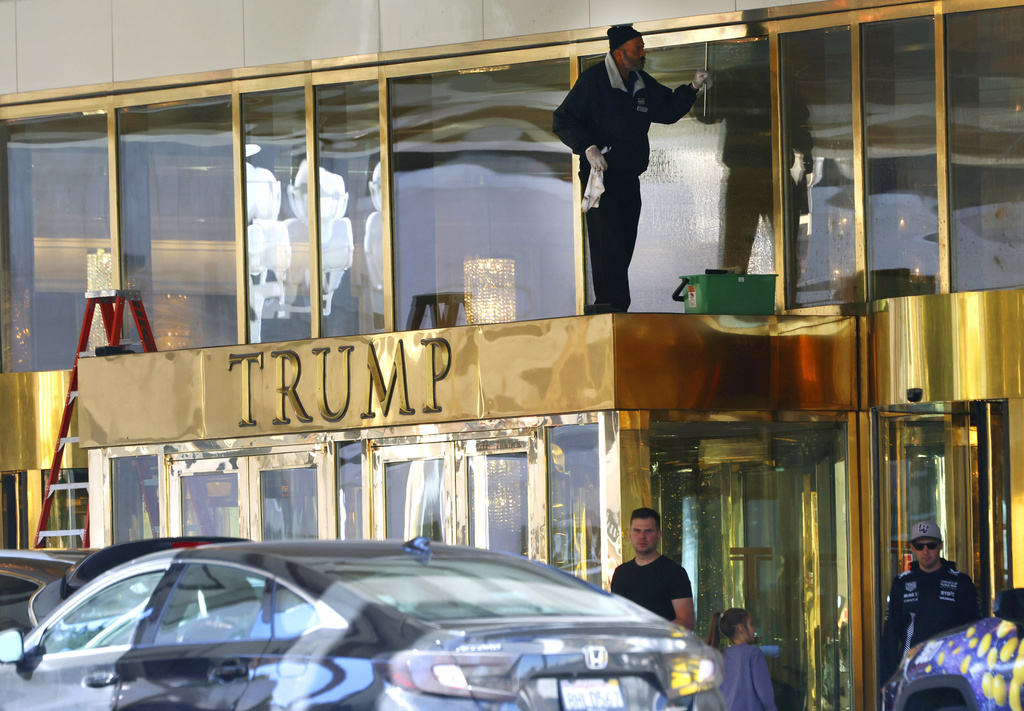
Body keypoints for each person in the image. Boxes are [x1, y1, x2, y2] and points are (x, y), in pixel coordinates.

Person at [553, 25, 709, 313]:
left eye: (642, 48)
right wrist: (587, 147)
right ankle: (608, 306)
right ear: (618, 53)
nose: (642, 53)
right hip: (599, 178)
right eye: (637, 49)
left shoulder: (640, 82)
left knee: (624, 243)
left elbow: (666, 109)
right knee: (605, 242)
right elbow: (563, 119)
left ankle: (617, 306)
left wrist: (692, 88)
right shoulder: (593, 81)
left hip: (627, 177)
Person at [879, 520, 982, 684]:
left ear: (940, 546)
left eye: (931, 545)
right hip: (911, 671)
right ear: (912, 548)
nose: (925, 551)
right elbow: (891, 634)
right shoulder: (902, 583)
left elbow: (973, 629)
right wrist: (888, 680)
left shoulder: (961, 582)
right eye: (920, 546)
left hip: (950, 668)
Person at [610, 507, 694, 629]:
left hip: (661, 646)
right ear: (630, 534)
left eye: (648, 531)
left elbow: (686, 622)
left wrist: (648, 634)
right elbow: (615, 616)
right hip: (628, 646)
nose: (642, 536)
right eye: (637, 531)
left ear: (659, 535)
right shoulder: (621, 573)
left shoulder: (674, 573)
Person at [706, 608, 777, 711]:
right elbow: (764, 692)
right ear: (741, 628)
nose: (754, 628)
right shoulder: (754, 654)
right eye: (750, 624)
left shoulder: (722, 656)